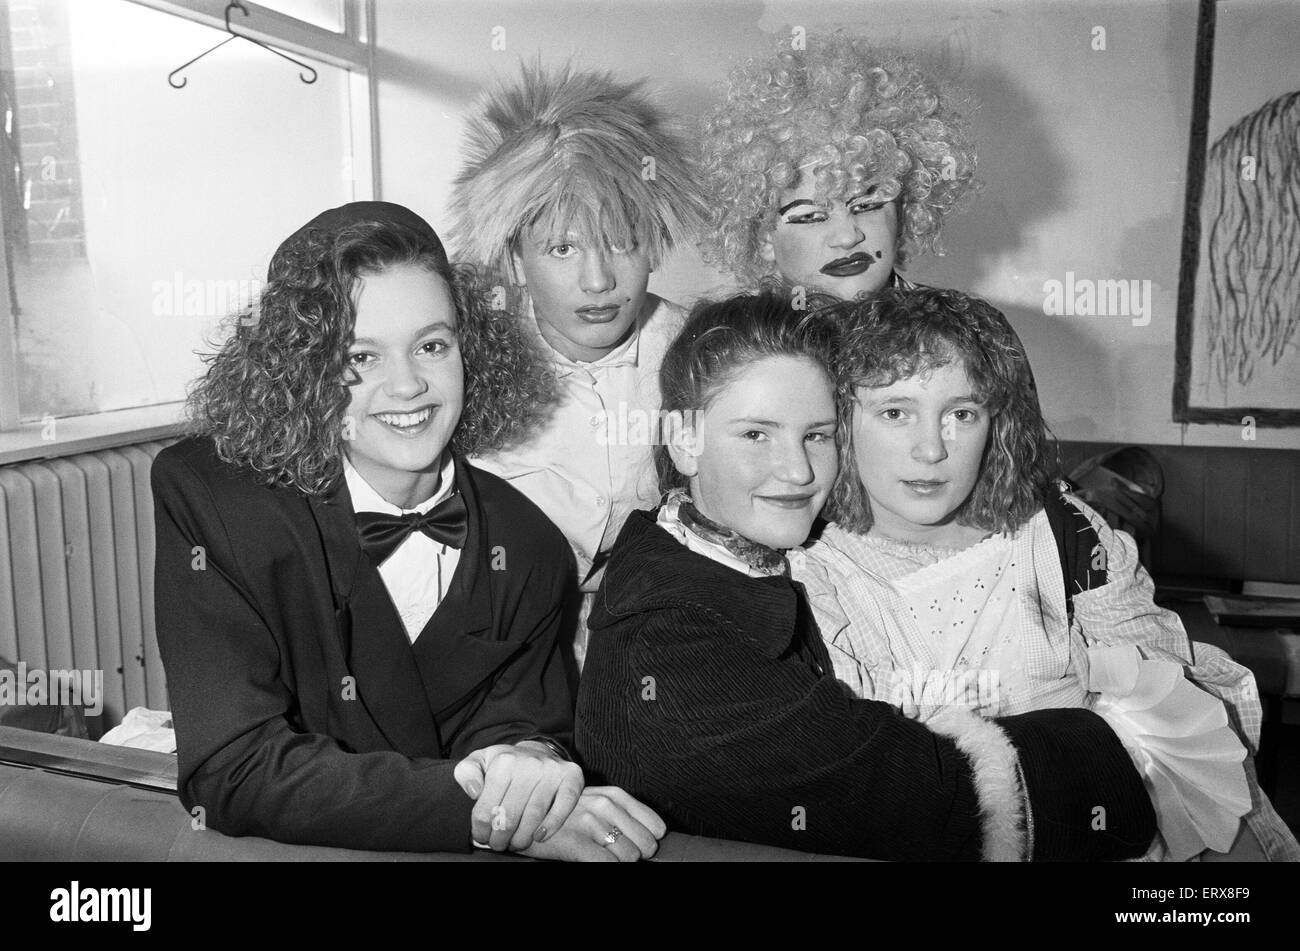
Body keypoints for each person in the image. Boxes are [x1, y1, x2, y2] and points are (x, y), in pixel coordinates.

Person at [154, 201, 664, 861]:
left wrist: (532, 765)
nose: (407, 385)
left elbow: (522, 725)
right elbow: (233, 767)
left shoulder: (530, 541)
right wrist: (483, 811)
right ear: (300, 368)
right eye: (359, 356)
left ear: (468, 348)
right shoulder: (211, 496)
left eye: (432, 345)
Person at [575, 289, 1159, 861]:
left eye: (817, 435)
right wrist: (1119, 762)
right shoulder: (672, 621)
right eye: (755, 433)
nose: (798, 469)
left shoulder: (716, 550)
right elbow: (913, 796)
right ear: (684, 441)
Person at [797, 285, 1300, 861]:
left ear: (997, 421)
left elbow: (1168, 712)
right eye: (894, 412)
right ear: (840, 422)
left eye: (961, 413)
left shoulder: (1063, 531)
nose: (931, 448)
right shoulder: (811, 568)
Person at [448, 62, 708, 666]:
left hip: (662, 654)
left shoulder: (703, 353)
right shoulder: (462, 360)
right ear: (513, 259)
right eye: (562, 248)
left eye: (622, 243)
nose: (598, 282)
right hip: (498, 658)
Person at [697, 33, 977, 300]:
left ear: (904, 213)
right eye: (811, 217)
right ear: (763, 239)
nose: (847, 237)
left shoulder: (966, 334)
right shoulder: (731, 347)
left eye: (867, 205)